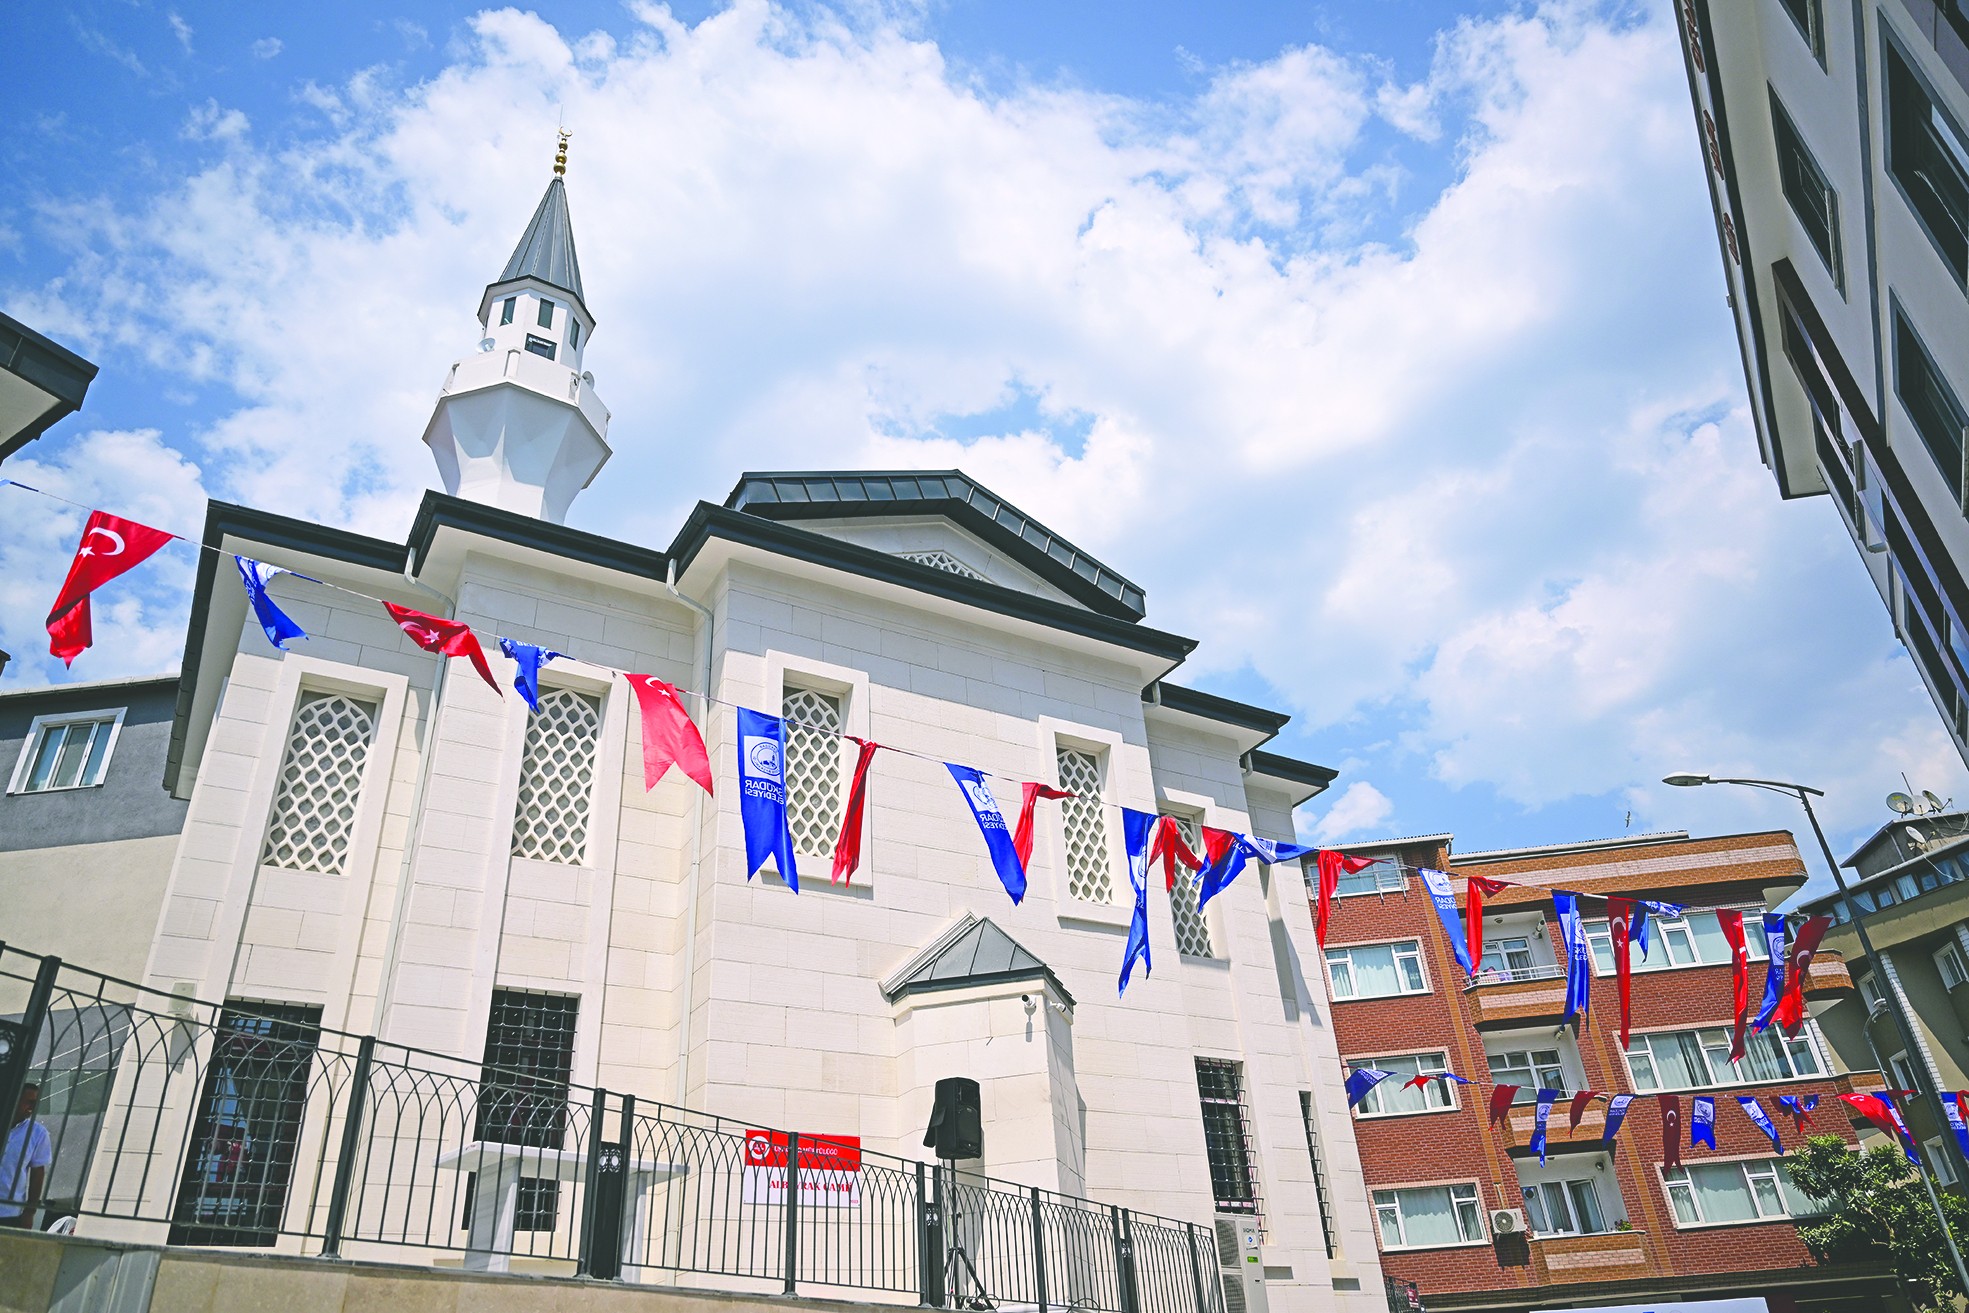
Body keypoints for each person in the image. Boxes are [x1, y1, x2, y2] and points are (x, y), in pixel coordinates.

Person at [0, 1084, 52, 1229]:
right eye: (29, 1101)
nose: (32, 1106)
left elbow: (37, 1174)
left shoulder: (38, 1133)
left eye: (35, 1102)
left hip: (9, 1213)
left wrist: (29, 1212)